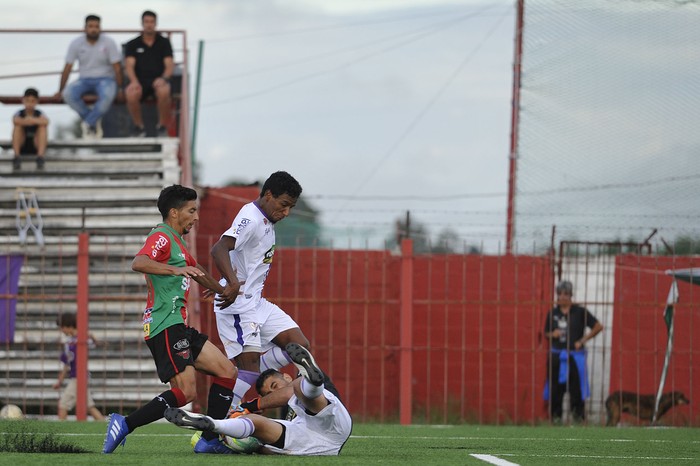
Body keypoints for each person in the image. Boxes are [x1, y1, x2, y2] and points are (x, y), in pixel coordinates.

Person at [103, 185, 238, 454]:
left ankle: (209, 440)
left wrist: (224, 289)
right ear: (174, 212)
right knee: (186, 393)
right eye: (192, 210)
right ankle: (125, 423)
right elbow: (139, 262)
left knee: (227, 372)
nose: (196, 217)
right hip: (165, 324)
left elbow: (195, 268)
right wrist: (176, 270)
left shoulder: (177, 240)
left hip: (180, 326)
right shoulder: (162, 236)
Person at [210, 171, 317, 409]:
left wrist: (226, 281)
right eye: (284, 205)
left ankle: (248, 394)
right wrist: (232, 283)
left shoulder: (267, 218)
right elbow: (219, 248)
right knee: (248, 372)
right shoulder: (252, 218)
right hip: (238, 305)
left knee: (299, 346)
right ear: (268, 195)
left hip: (256, 301)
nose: (286, 212)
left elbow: (240, 258)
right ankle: (217, 422)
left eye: (291, 207)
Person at [165, 343, 352, 456]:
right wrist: (253, 447)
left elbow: (288, 393)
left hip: (334, 427)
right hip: (311, 442)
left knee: (299, 388)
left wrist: (251, 405)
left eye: (274, 385)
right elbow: (272, 450)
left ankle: (314, 381)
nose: (273, 394)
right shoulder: (288, 416)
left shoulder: (292, 383)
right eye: (268, 394)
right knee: (256, 424)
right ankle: (214, 424)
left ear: (285, 376)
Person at [543, 280, 604, 423]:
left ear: (571, 295)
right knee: (555, 392)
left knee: (576, 392)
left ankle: (578, 420)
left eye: (566, 294)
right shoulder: (553, 313)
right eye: (560, 294)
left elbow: (598, 326)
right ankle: (556, 421)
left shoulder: (580, 311)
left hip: (575, 358)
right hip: (557, 357)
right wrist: (553, 334)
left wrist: (582, 341)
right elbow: (546, 333)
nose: (563, 297)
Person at [56, 14, 123, 139]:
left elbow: (117, 68)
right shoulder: (76, 43)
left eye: (96, 26)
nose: (93, 29)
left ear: (100, 28)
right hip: (84, 80)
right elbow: (67, 68)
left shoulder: (109, 42)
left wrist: (120, 89)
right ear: (85, 28)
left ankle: (88, 123)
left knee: (108, 96)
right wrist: (60, 90)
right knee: (68, 94)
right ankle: (93, 120)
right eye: (91, 26)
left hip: (106, 79)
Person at [124, 10, 174, 137]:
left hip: (158, 79)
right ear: (142, 23)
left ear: (156, 23)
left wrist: (163, 78)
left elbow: (169, 65)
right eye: (146, 22)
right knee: (131, 94)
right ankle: (139, 127)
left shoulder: (164, 42)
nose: (149, 25)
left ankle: (162, 127)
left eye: (152, 22)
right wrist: (134, 81)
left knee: (164, 91)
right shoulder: (132, 44)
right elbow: (129, 66)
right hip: (139, 80)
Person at [53, 312, 105, 421]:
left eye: (62, 327)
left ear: (68, 326)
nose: (61, 331)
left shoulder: (83, 339)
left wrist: (90, 336)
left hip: (79, 377)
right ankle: (106, 426)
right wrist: (60, 381)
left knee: (63, 404)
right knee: (89, 406)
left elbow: (95, 344)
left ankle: (59, 431)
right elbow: (66, 365)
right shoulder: (68, 343)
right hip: (76, 376)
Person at [11, 87, 48, 171]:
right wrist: (34, 121)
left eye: (32, 101)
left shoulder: (39, 113)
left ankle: (40, 157)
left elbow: (46, 121)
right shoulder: (19, 113)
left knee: (42, 128)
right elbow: (15, 120)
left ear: (37, 102)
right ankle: (16, 157)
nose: (29, 104)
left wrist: (30, 120)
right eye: (27, 100)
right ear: (23, 100)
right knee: (17, 127)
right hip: (22, 144)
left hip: (36, 145)